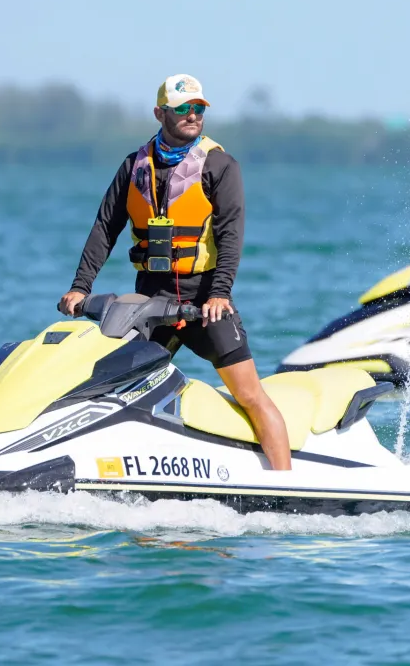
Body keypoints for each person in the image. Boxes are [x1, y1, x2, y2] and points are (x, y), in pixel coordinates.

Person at [58, 74, 291, 469]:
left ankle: (288, 485)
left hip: (205, 300)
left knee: (251, 395)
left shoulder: (220, 164)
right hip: (150, 299)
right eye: (182, 108)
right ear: (160, 113)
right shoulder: (134, 166)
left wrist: (220, 294)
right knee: (112, 391)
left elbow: (231, 235)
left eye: (198, 108)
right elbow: (105, 228)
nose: (192, 115)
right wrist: (81, 287)